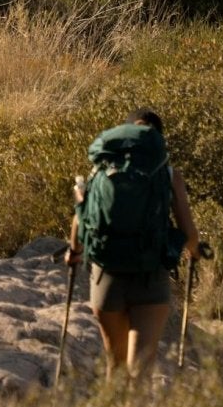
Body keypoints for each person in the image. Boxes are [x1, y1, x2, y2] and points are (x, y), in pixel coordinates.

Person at [67, 108, 200, 383]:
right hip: (150, 275)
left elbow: (81, 219)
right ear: (158, 140)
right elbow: (189, 234)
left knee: (115, 366)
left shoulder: (101, 169)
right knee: (140, 370)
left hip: (108, 275)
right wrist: (195, 252)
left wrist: (74, 253)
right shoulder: (169, 174)